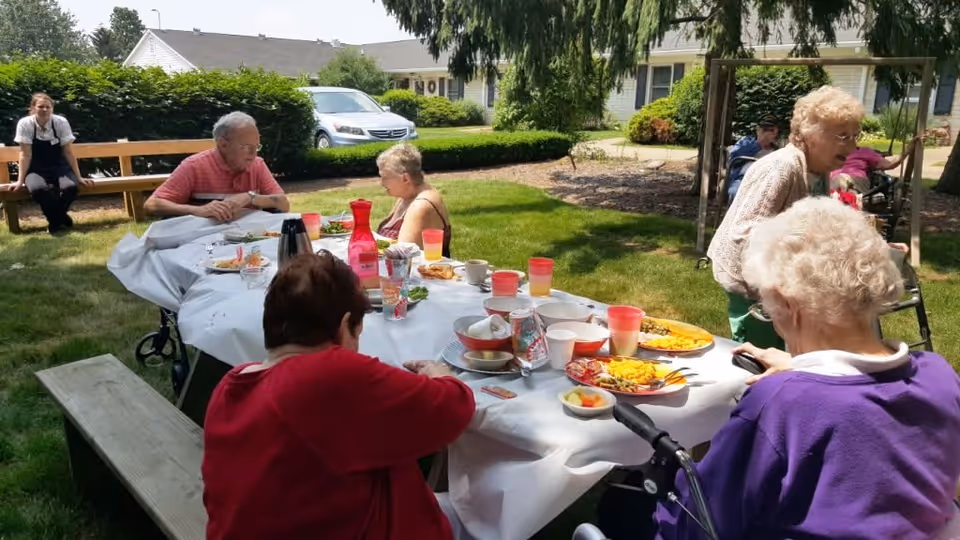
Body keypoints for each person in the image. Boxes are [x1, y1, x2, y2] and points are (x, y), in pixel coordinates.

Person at [602, 198, 960, 540]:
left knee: (621, 505)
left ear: (789, 304)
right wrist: (800, 367)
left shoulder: (781, 404)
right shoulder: (939, 375)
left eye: (767, 307)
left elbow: (701, 521)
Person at [202, 252, 475, 540]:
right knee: (479, 517)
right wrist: (438, 373)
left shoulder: (229, 386)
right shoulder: (329, 375)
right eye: (358, 334)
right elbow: (453, 409)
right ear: (345, 326)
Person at [707, 85, 865, 350]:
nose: (853, 146)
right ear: (811, 134)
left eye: (855, 136)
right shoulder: (782, 168)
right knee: (759, 358)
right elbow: (746, 233)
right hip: (752, 285)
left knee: (789, 353)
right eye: (843, 136)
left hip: (780, 282)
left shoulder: (817, 168)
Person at [144, 112, 290, 221]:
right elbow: (151, 205)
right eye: (245, 146)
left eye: (256, 146)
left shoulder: (257, 165)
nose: (253, 153)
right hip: (203, 241)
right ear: (223, 144)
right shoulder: (194, 166)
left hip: (248, 239)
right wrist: (198, 210)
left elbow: (283, 204)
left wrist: (250, 198)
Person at [1, 93, 93, 234]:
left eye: (48, 107)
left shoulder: (60, 122)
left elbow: (68, 152)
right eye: (40, 106)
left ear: (52, 108)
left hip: (59, 165)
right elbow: (25, 154)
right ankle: (61, 218)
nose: (44, 110)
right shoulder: (25, 124)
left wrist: (79, 177)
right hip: (36, 168)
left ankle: (55, 220)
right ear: (33, 108)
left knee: (71, 187)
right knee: (38, 190)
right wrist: (20, 181)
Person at [376, 143, 452, 257]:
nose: (381, 183)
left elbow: (401, 256)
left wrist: (368, 245)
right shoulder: (407, 196)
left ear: (405, 178)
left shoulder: (421, 206)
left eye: (385, 177)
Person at [831, 136, 919, 194]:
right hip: (834, 183)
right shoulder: (832, 151)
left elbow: (890, 164)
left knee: (842, 180)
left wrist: (908, 148)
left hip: (857, 181)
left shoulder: (865, 152)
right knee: (841, 185)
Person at [726, 114, 780, 203]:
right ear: (758, 130)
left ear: (776, 132)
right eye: (764, 129)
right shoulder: (746, 141)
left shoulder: (777, 149)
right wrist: (759, 144)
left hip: (767, 180)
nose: (767, 133)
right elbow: (733, 156)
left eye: (771, 130)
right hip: (744, 178)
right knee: (734, 192)